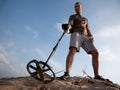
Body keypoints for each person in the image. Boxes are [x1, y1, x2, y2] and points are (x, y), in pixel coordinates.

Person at [60, 2, 110, 81]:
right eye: (75, 6)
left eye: (78, 6)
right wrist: (68, 27)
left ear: (81, 8)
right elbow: (70, 23)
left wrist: (91, 36)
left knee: (95, 53)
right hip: (76, 33)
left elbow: (87, 28)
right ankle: (67, 73)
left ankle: (96, 76)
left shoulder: (85, 19)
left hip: (86, 36)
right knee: (72, 50)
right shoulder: (72, 16)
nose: (76, 7)